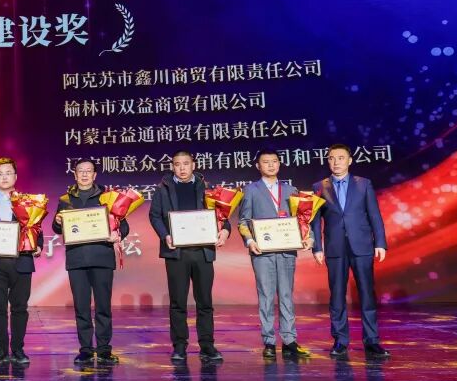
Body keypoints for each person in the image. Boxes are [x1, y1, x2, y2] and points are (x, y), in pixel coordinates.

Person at [148, 150, 230, 365]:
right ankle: (179, 346)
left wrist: (225, 231)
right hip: (176, 252)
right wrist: (165, 235)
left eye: (186, 163)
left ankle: (207, 345)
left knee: (205, 302)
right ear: (172, 167)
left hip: (203, 252)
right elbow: (154, 215)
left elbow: (223, 215)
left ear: (193, 165)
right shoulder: (163, 189)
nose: (182, 168)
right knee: (178, 302)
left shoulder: (207, 188)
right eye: (177, 164)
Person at [311, 143, 390, 359]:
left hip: (362, 245)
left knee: (367, 294)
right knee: (337, 295)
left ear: (349, 160)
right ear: (328, 161)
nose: (336, 162)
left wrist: (380, 242)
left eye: (340, 158)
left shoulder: (363, 184)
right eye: (331, 158)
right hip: (335, 247)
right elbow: (315, 221)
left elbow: (374, 215)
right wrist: (317, 247)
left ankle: (372, 341)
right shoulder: (319, 186)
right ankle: (340, 340)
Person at [52, 158, 129, 366]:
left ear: (95, 175)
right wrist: (58, 221)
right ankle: (85, 349)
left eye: (89, 171)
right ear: (75, 175)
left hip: (102, 257)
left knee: (103, 306)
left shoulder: (108, 198)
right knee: (82, 307)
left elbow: (124, 226)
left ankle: (104, 349)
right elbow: (57, 228)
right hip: (77, 259)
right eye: (81, 171)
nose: (84, 174)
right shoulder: (65, 199)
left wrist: (117, 234)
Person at [237, 149, 312, 360]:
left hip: (287, 251)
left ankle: (289, 340)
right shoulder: (250, 190)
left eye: (274, 161)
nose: (271, 165)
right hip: (262, 252)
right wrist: (250, 241)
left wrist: (309, 237)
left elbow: (303, 219)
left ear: (279, 164)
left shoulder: (291, 190)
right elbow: (243, 221)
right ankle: (269, 341)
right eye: (266, 162)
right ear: (257, 166)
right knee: (266, 296)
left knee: (286, 295)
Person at [0, 157, 42, 366]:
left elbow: (36, 227)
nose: (4, 177)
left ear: (15, 176)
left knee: (20, 308)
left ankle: (18, 349)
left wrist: (38, 245)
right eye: (0, 174)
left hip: (21, 260)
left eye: (8, 173)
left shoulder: (28, 201)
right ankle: (1, 350)